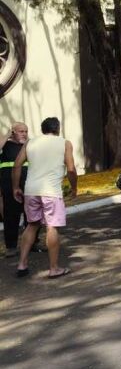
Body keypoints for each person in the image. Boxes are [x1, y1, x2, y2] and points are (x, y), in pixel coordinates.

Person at [14, 117, 77, 279]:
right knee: (52, 227)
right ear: (58, 129)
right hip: (51, 192)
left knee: (32, 225)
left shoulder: (30, 143)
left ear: (43, 129)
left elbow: (17, 165)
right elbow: (71, 169)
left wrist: (15, 187)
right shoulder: (65, 143)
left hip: (31, 190)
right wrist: (74, 188)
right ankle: (54, 268)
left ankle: (22, 264)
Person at [1, 122, 29, 257]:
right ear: (13, 132)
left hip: (29, 183)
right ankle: (11, 247)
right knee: (11, 215)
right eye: (21, 131)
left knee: (31, 213)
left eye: (26, 131)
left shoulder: (28, 145)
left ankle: (32, 242)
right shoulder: (5, 144)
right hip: (10, 185)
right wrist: (7, 134)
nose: (24, 134)